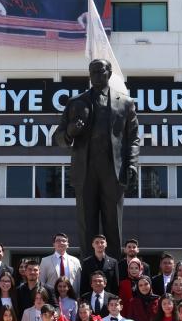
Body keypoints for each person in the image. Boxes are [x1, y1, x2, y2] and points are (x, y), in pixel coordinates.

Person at [55, 59, 139, 263]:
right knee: (87, 225)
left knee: (113, 224)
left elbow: (133, 138)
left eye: (100, 71)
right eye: (92, 72)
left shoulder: (125, 102)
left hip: (113, 171)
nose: (96, 76)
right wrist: (70, 132)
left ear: (109, 73)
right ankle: (88, 270)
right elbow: (58, 138)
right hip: (86, 171)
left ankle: (113, 270)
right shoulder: (76, 102)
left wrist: (132, 164)